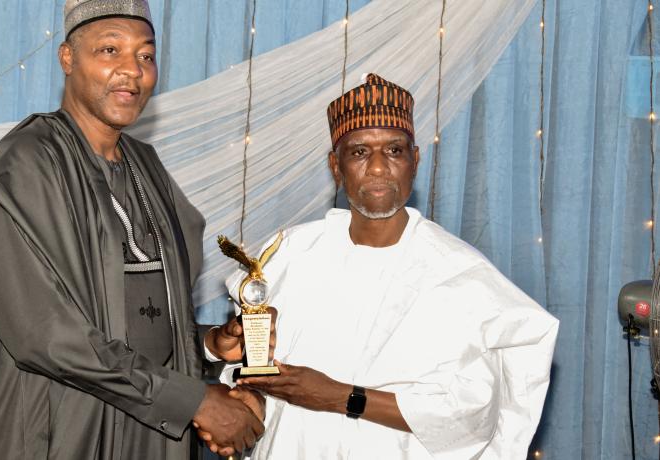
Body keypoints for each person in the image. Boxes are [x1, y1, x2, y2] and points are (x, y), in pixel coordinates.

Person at [0, 1, 263, 458]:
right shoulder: (26, 165)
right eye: (109, 50)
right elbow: (46, 335)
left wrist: (206, 343)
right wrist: (194, 401)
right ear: (67, 58)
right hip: (56, 425)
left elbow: (134, 313)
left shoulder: (147, 166)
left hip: (147, 425)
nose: (131, 71)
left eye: (146, 56)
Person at [225, 74, 559, 459]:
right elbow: (255, 369)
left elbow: (472, 415)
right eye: (360, 152)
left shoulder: (459, 274)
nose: (380, 167)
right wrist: (249, 399)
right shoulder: (289, 254)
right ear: (336, 166)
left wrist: (340, 397)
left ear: (414, 161)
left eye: (395, 151)